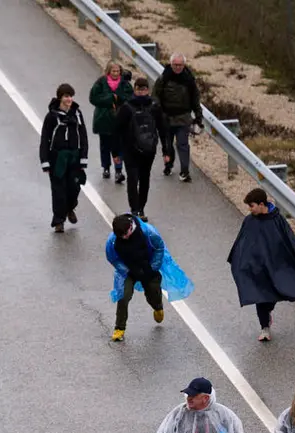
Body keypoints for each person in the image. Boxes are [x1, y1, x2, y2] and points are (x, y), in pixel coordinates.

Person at [227, 188, 295, 342]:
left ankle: (268, 312)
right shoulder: (249, 221)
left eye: (251, 206)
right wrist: (238, 261)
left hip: (276, 266)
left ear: (261, 204)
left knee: (274, 294)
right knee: (260, 297)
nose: (249, 209)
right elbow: (241, 242)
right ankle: (264, 328)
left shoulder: (278, 220)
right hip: (257, 268)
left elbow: (292, 243)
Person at [104, 213, 194, 342]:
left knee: (153, 291)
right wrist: (128, 270)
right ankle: (119, 328)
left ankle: (158, 307)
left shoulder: (148, 232)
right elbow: (113, 259)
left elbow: (159, 248)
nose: (124, 237)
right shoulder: (112, 241)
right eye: (121, 236)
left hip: (148, 267)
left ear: (131, 227)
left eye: (126, 234)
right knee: (123, 296)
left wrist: (152, 269)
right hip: (128, 271)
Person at [112, 76, 171, 221]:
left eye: (144, 89)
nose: (141, 92)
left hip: (148, 150)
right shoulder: (126, 108)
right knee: (133, 179)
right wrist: (116, 152)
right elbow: (116, 130)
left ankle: (141, 208)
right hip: (130, 150)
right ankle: (135, 209)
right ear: (135, 90)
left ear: (148, 90)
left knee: (145, 179)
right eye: (139, 89)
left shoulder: (154, 107)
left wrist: (166, 150)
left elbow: (162, 129)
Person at [39, 83, 90, 234]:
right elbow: (45, 139)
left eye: (71, 96)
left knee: (74, 187)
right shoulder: (51, 116)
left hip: (74, 158)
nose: (69, 99)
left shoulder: (77, 114)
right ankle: (58, 221)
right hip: (57, 159)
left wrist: (83, 157)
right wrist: (45, 161)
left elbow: (83, 136)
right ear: (60, 98)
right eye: (66, 96)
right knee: (58, 191)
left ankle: (70, 208)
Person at [152, 53, 204, 182]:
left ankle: (185, 171)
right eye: (175, 64)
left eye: (180, 65)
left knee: (183, 144)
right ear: (171, 64)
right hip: (166, 118)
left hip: (183, 118)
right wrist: (158, 110)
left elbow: (195, 99)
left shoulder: (190, 80)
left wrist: (198, 116)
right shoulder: (163, 78)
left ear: (184, 65)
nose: (177, 67)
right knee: (168, 145)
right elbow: (155, 95)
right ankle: (168, 165)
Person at [89, 62, 133, 185]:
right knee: (105, 146)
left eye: (117, 71)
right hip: (103, 120)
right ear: (108, 71)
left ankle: (118, 170)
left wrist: (119, 99)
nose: (115, 73)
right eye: (113, 71)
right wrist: (109, 99)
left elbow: (130, 98)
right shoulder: (100, 83)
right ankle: (106, 168)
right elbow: (93, 98)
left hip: (119, 120)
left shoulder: (125, 84)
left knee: (118, 146)